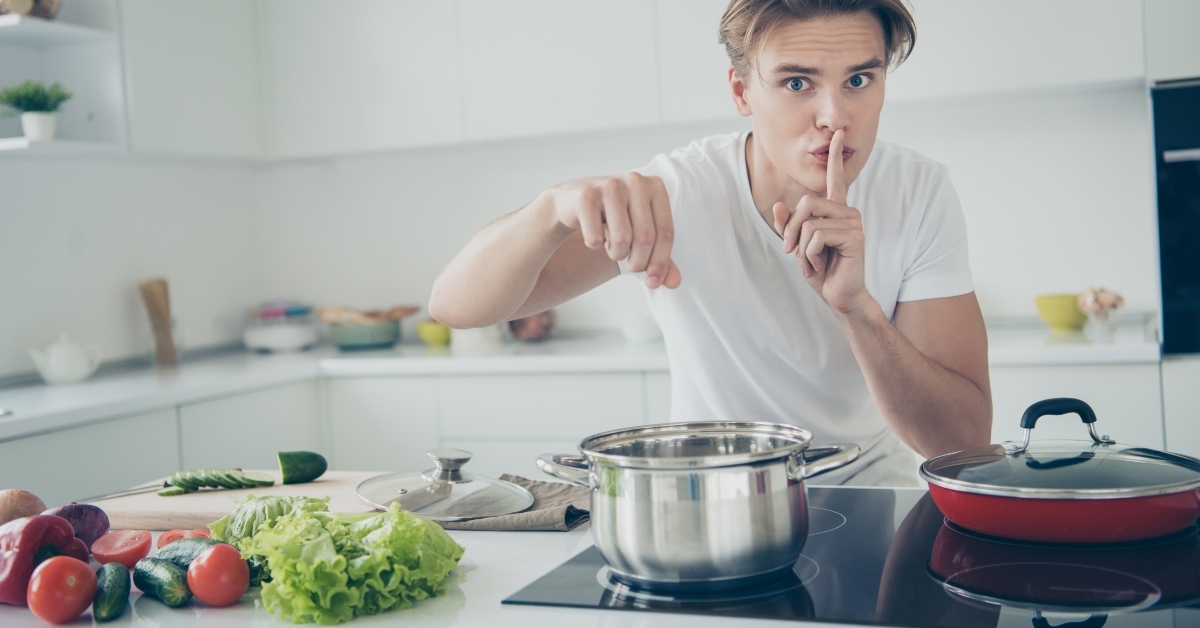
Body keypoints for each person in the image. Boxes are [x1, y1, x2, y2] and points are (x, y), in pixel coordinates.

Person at [429, 0, 991, 486]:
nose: (834, 117)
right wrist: (550, 209)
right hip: (711, 496)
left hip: (870, 490)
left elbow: (960, 443)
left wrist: (857, 308)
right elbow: (456, 307)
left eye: (859, 80)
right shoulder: (679, 191)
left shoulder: (918, 191)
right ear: (742, 91)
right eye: (798, 83)